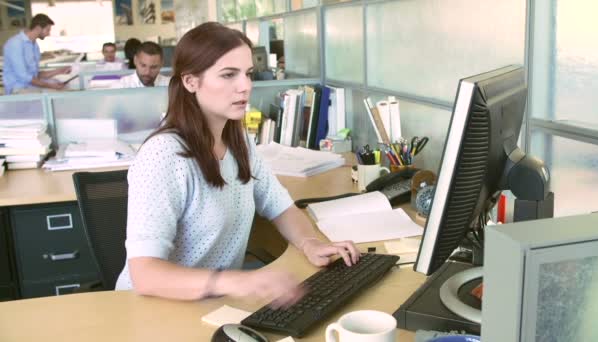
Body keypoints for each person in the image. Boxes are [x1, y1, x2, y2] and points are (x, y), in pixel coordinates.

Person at [114, 22, 360, 306]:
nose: (245, 86)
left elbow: (279, 205)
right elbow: (146, 275)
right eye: (228, 75)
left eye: (248, 74)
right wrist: (241, 281)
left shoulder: (239, 140)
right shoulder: (164, 155)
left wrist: (311, 243)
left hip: (211, 303)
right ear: (190, 81)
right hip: (153, 307)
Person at [2, 14, 71, 95]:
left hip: (30, 86)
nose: (49, 34)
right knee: (58, 93)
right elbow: (24, 77)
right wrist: (50, 86)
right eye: (47, 30)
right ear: (38, 28)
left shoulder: (34, 45)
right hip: (17, 89)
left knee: (64, 87)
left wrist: (58, 71)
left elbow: (35, 75)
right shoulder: (15, 44)